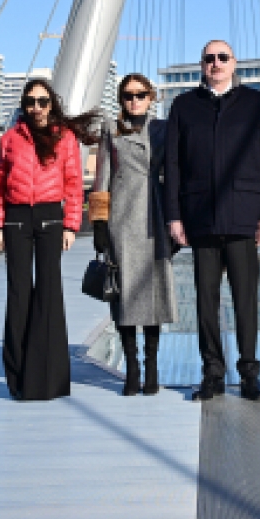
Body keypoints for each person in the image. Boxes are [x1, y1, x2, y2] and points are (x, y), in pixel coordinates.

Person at [165, 38, 260, 403]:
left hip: (244, 217)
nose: (215, 63)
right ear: (202, 65)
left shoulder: (258, 104)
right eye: (209, 58)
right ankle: (212, 374)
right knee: (205, 302)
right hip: (200, 217)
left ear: (234, 63)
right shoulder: (184, 106)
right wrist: (174, 216)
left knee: (246, 300)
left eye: (222, 57)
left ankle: (249, 374)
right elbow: (173, 166)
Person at [0, 78, 99, 402]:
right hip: (16, 219)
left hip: (51, 218)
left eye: (42, 101)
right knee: (19, 294)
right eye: (30, 101)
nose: (36, 107)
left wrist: (71, 226)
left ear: (51, 104)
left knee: (49, 293)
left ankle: (48, 379)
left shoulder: (64, 138)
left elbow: (74, 183)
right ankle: (17, 377)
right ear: (23, 106)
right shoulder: (9, 139)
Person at [89, 73, 176, 397]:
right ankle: (132, 369)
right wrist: (99, 225)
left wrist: (177, 221)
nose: (134, 100)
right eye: (128, 95)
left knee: (153, 297)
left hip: (155, 216)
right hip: (122, 219)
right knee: (123, 297)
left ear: (151, 97)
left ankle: (151, 367)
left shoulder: (164, 129)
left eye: (140, 94)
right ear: (121, 99)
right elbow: (101, 178)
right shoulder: (111, 129)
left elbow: (176, 174)